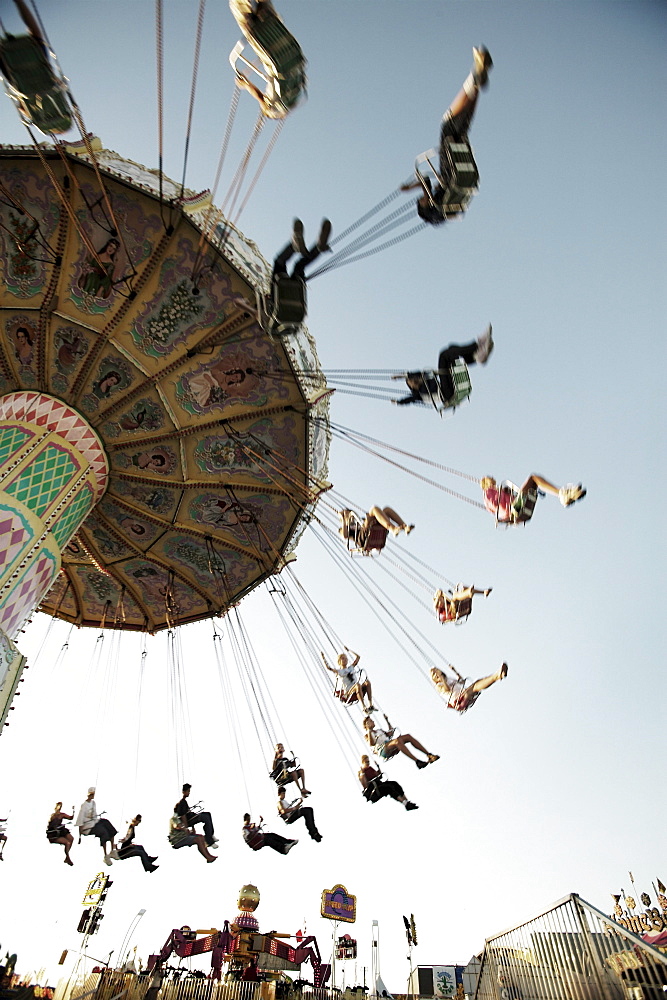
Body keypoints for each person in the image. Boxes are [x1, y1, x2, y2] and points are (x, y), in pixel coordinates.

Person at [401, 47, 493, 224]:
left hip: (458, 163)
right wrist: (408, 188)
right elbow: (425, 180)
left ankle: (477, 83)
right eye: (419, 203)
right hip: (449, 163)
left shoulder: (445, 202)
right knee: (448, 121)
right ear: (425, 205)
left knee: (463, 124)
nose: (419, 200)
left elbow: (427, 183)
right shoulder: (436, 200)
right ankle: (474, 78)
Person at [393, 327, 494, 406]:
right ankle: (478, 344)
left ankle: (476, 358)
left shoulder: (426, 379)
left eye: (413, 380)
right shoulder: (419, 394)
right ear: (413, 388)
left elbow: (419, 373)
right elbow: (410, 399)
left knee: (451, 348)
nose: (413, 381)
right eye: (411, 384)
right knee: (444, 355)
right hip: (445, 394)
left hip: (447, 387)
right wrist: (398, 402)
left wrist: (402, 376)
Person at [480, 475, 586, 525]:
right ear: (487, 483)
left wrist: (507, 493)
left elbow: (494, 510)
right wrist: (503, 495)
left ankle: (568, 494)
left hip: (516, 512)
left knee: (534, 483)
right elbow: (495, 504)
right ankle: (562, 494)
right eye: (491, 479)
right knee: (533, 478)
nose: (494, 480)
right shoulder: (488, 491)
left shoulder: (497, 492)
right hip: (513, 509)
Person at [363, 714, 439, 769]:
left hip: (389, 744)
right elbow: (372, 743)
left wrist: (387, 721)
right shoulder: (368, 735)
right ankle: (417, 761)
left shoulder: (379, 730)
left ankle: (429, 755)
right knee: (397, 741)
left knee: (407, 736)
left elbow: (390, 733)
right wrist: (369, 730)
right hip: (382, 749)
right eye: (371, 721)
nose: (373, 721)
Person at [430, 663, 508, 713]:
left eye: (436, 671)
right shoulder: (438, 685)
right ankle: (497, 676)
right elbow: (447, 689)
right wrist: (442, 679)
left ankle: (497, 675)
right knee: (474, 688)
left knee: (477, 684)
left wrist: (455, 671)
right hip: (458, 701)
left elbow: (461, 681)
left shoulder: (448, 679)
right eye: (433, 674)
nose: (436, 674)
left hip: (463, 694)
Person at [339, 506, 414, 553]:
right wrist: (344, 520)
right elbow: (345, 535)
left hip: (369, 528)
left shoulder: (358, 521)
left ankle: (404, 527)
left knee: (386, 510)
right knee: (374, 509)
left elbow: (366, 521)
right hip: (363, 537)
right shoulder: (344, 528)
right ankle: (393, 529)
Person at [75, 787, 117, 863]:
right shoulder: (84, 806)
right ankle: (106, 856)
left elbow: (94, 815)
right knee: (103, 831)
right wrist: (80, 834)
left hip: (94, 821)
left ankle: (112, 850)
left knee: (107, 824)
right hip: (87, 826)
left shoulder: (93, 803)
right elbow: (80, 819)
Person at [173, 783, 217, 849]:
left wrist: (193, 827)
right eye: (187, 791)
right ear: (183, 792)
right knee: (205, 817)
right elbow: (183, 815)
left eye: (189, 791)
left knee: (207, 814)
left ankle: (210, 835)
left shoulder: (184, 802)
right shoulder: (182, 803)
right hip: (188, 820)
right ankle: (209, 840)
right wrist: (186, 828)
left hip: (191, 818)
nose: (188, 793)